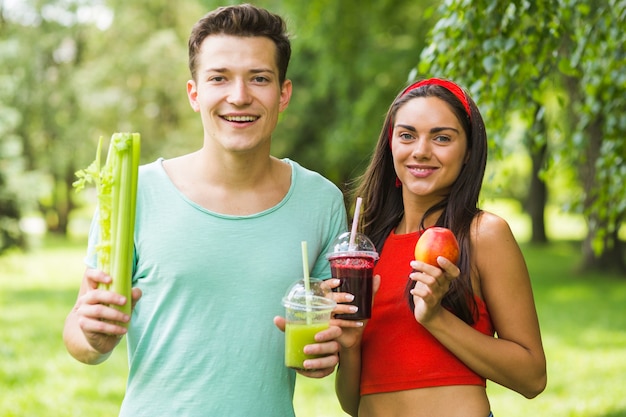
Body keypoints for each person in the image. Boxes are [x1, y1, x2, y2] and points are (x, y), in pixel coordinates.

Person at [62, 4, 348, 416]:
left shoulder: (320, 201)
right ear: (194, 94)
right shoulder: (133, 192)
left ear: (283, 94)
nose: (239, 96)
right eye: (219, 78)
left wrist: (323, 355)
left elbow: (323, 340)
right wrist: (93, 337)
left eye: (259, 79)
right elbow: (79, 333)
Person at [334, 78, 547, 416]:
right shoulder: (367, 246)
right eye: (407, 135)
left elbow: (533, 377)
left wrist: (436, 318)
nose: (420, 150)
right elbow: (351, 402)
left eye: (442, 137)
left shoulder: (482, 235)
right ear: (390, 146)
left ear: (468, 152)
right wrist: (350, 346)